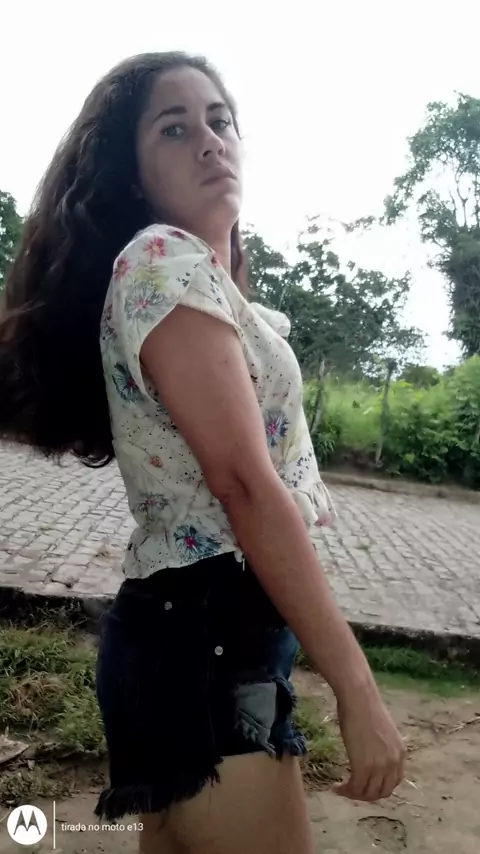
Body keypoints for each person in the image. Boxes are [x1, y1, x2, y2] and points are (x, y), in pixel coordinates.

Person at [0, 52, 405, 854]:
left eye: (220, 120)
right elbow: (245, 486)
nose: (210, 140)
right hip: (205, 647)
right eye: (175, 129)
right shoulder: (162, 262)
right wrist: (358, 688)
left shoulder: (202, 285)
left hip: (193, 640)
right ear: (134, 174)